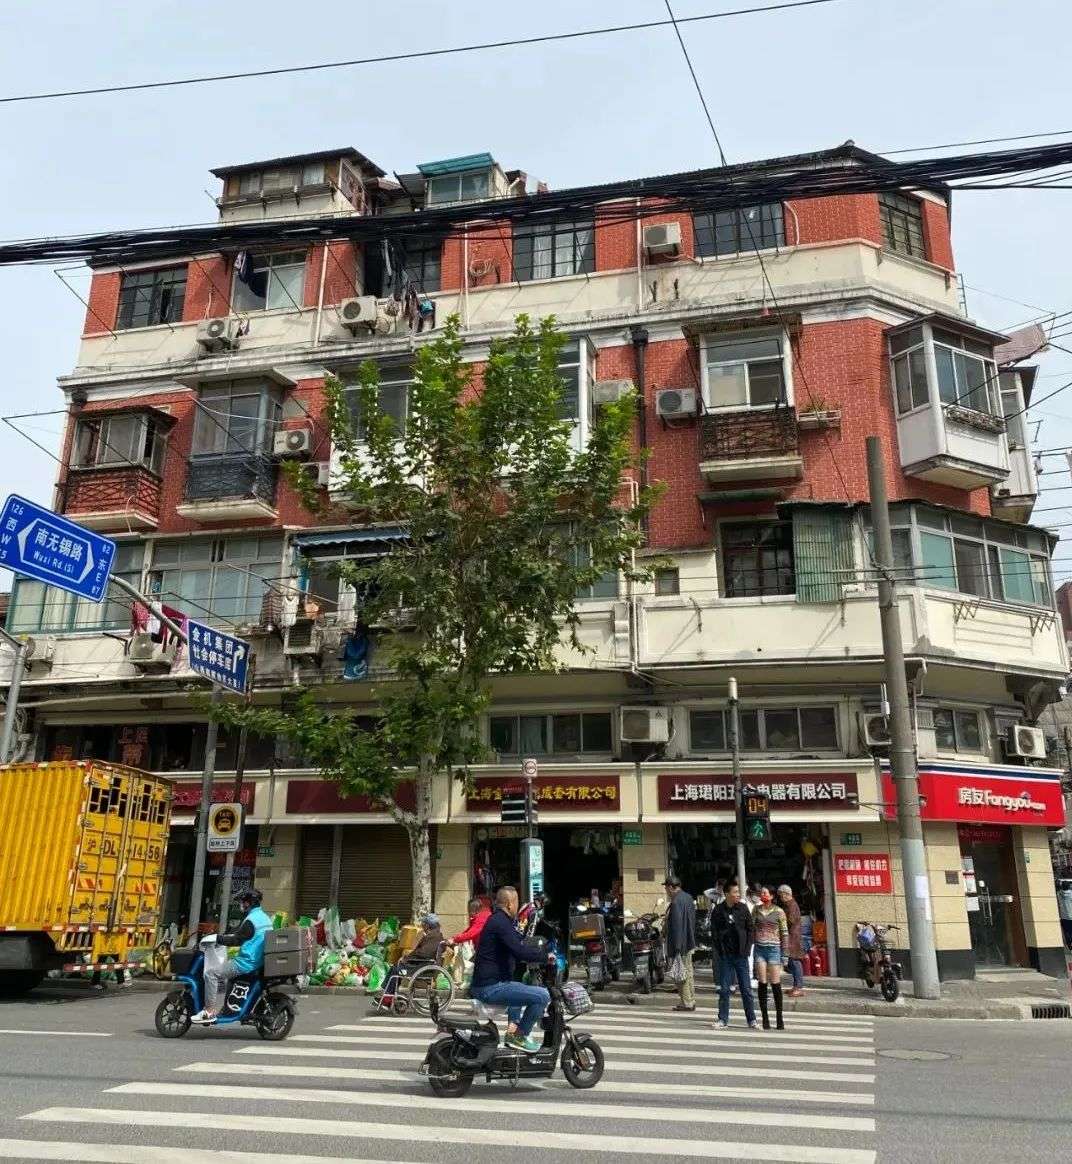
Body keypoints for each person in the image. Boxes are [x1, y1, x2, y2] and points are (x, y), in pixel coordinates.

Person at [470, 886, 553, 1053]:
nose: (517, 906)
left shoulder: (501, 921)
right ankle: (519, 1036)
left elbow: (519, 942)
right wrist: (545, 956)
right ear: (509, 904)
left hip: (493, 983)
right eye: (516, 902)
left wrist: (536, 950)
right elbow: (519, 950)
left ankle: (514, 1030)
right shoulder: (500, 922)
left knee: (521, 989)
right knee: (542, 996)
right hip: (490, 987)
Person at [190, 888, 273, 1024]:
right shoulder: (264, 918)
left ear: (248, 903)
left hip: (246, 963)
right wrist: (225, 936)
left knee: (211, 974)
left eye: (242, 902)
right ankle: (228, 1009)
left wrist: (217, 938)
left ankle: (208, 1012)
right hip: (258, 960)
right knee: (229, 975)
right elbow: (244, 935)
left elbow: (236, 940)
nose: (241, 905)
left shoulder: (251, 920)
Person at [711, 882, 757, 1030]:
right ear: (727, 894)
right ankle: (722, 1019)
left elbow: (750, 929)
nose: (738, 894)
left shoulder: (743, 908)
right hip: (726, 956)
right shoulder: (718, 910)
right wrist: (720, 950)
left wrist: (747, 948)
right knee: (724, 989)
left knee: (746, 989)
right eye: (735, 892)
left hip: (741, 955)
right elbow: (714, 932)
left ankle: (752, 1020)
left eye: (738, 892)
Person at [379, 913, 445, 1006]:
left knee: (396, 969)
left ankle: (387, 997)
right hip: (422, 964)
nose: (422, 925)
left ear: (428, 925)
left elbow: (423, 954)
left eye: (423, 923)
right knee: (395, 967)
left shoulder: (433, 937)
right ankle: (387, 993)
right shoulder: (434, 935)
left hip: (422, 967)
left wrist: (407, 958)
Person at [752, 886, 789, 1030]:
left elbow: (784, 933)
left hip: (774, 949)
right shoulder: (756, 910)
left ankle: (779, 1018)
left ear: (772, 896)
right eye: (761, 893)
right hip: (760, 949)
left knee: (775, 983)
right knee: (762, 982)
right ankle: (765, 1019)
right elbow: (751, 927)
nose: (762, 894)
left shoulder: (779, 911)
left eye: (765, 893)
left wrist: (785, 954)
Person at [663, 875, 697, 1012]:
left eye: (666, 887)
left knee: (680, 974)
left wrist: (677, 947)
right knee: (688, 972)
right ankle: (691, 1000)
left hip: (680, 943)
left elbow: (677, 926)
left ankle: (686, 1002)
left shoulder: (676, 901)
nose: (666, 890)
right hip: (689, 940)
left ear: (671, 887)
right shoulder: (688, 897)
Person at [777, 884, 806, 997]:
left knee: (795, 961)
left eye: (781, 895)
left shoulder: (792, 905)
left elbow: (790, 921)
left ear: (787, 894)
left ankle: (799, 987)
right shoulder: (788, 905)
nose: (780, 897)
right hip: (791, 937)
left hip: (793, 938)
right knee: (792, 961)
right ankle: (795, 986)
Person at [1057, 879, 1072, 949]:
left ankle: (1069, 945)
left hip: (1063, 917)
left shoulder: (1058, 894)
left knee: (1066, 931)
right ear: (1069, 886)